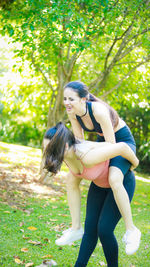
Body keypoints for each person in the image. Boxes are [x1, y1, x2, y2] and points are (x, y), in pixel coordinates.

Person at [43, 122, 141, 267]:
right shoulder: (67, 155)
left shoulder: (86, 156)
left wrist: (134, 163)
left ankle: (131, 232)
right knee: (90, 230)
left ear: (64, 147)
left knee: (105, 230)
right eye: (46, 149)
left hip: (121, 183)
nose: (47, 154)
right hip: (99, 185)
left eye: (50, 150)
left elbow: (122, 147)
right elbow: (72, 184)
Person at [62, 81, 141, 255]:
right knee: (71, 177)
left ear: (84, 99)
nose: (67, 102)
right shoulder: (73, 113)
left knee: (114, 178)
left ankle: (131, 230)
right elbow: (78, 141)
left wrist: (86, 147)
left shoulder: (98, 110)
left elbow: (112, 145)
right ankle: (75, 228)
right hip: (102, 141)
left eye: (71, 99)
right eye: (65, 98)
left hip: (121, 142)